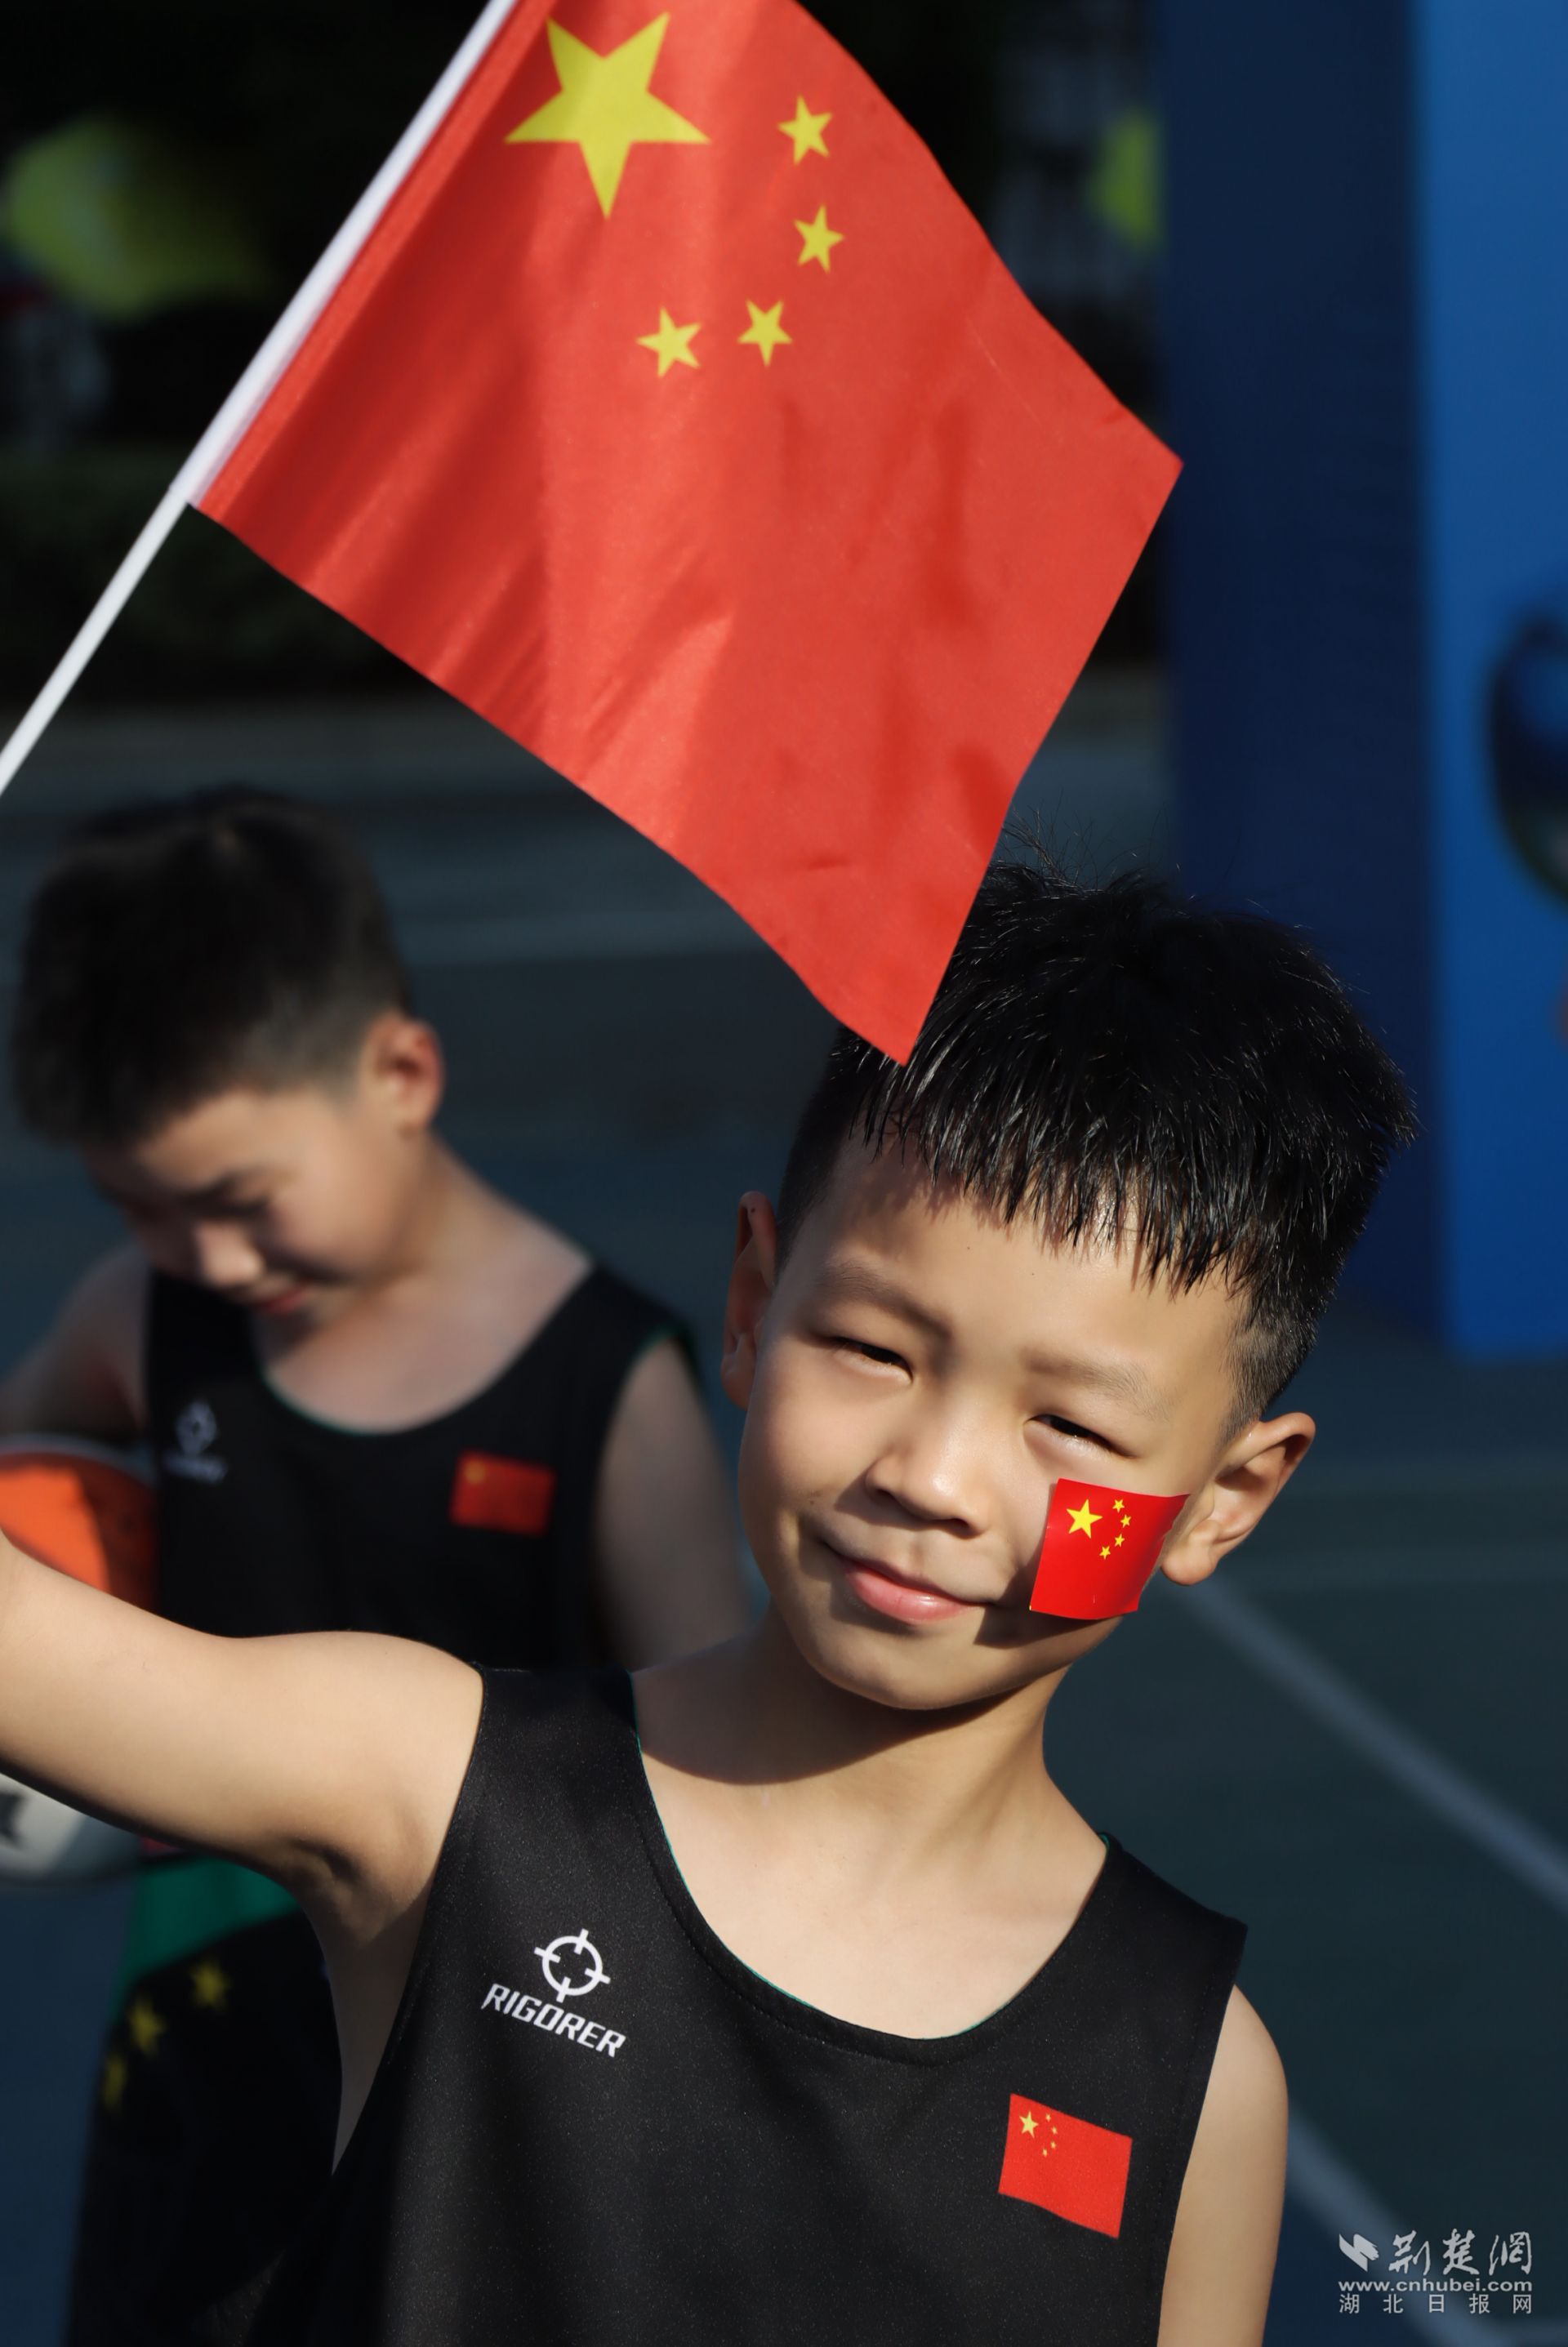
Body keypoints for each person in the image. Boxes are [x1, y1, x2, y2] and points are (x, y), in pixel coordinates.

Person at [0, 859, 1415, 2345]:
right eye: (873, 1347)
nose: (932, 1475)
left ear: (1226, 1497)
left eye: (1071, 1423)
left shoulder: (1198, 2082)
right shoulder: (433, 1791)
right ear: (752, 1306)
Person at [0, 787, 749, 2344]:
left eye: (240, 1199)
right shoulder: (142, 1320)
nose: (206, 1256)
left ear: (400, 1073)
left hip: (486, 2052)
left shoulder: (605, 1385)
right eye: (136, 1206)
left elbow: (716, 1767)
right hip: (200, 2043)